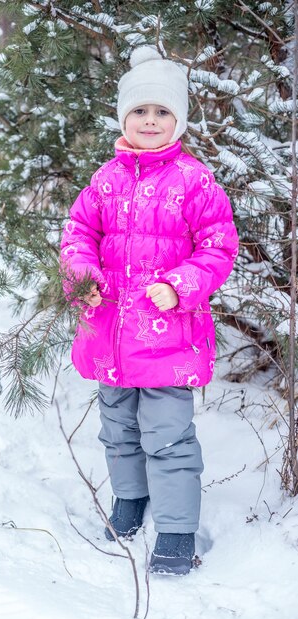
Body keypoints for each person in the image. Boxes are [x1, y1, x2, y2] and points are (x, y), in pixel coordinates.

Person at [60, 46, 238, 576]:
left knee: (168, 435)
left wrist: (181, 284)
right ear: (123, 118)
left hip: (169, 339)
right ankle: (130, 501)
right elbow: (77, 234)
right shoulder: (105, 179)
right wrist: (83, 277)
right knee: (117, 428)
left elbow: (218, 247)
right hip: (109, 334)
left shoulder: (194, 180)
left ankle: (178, 531)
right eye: (140, 111)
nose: (151, 121)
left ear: (178, 119)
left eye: (162, 112)